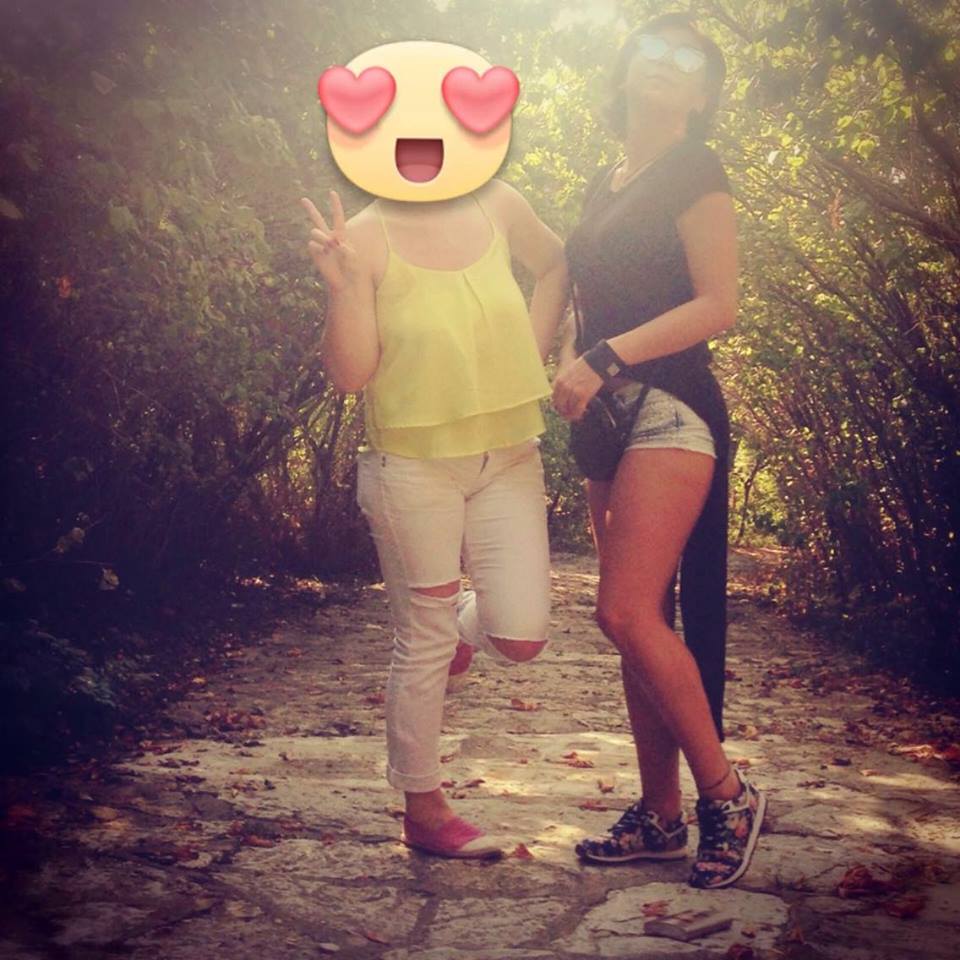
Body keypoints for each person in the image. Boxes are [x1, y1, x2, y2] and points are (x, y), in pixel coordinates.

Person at [552, 12, 766, 889]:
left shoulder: (694, 167)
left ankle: (728, 796)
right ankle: (659, 813)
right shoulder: (607, 181)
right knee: (639, 625)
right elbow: (573, 288)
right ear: (626, 69)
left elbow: (719, 304)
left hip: (670, 409)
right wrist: (565, 363)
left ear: (704, 95)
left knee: (625, 611)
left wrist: (605, 357)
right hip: (604, 418)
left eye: (690, 59)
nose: (669, 63)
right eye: (655, 48)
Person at [301, 177, 567, 859]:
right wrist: (342, 287)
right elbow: (351, 375)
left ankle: (461, 625)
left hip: (510, 458)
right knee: (422, 636)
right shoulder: (364, 235)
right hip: (411, 467)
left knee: (522, 637)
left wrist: (529, 353)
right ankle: (423, 808)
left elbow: (556, 262)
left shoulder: (500, 202)